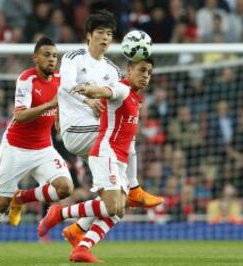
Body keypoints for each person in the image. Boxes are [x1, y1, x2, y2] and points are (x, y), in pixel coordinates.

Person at [55, 9, 163, 250]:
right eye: (101, 32)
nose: (105, 38)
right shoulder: (74, 57)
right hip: (75, 130)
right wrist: (87, 100)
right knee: (124, 135)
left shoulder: (113, 70)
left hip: (96, 133)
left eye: (110, 34)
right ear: (88, 35)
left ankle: (79, 230)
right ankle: (134, 188)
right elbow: (66, 85)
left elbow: (113, 102)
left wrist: (102, 103)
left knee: (117, 203)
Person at [38, 57, 155, 263]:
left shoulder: (136, 98)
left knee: (119, 206)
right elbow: (109, 91)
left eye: (149, 72)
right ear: (129, 70)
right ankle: (60, 213)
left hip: (119, 158)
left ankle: (81, 242)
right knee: (113, 206)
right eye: (142, 70)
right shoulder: (122, 88)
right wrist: (92, 91)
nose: (145, 76)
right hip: (105, 151)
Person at [0, 36, 74, 261]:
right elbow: (19, 116)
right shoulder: (26, 79)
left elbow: (66, 102)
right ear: (36, 58)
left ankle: (20, 198)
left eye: (54, 56)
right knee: (0, 204)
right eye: (47, 55)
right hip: (15, 148)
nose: (52, 60)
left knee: (65, 187)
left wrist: (58, 115)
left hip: (43, 148)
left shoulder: (60, 80)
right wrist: (50, 106)